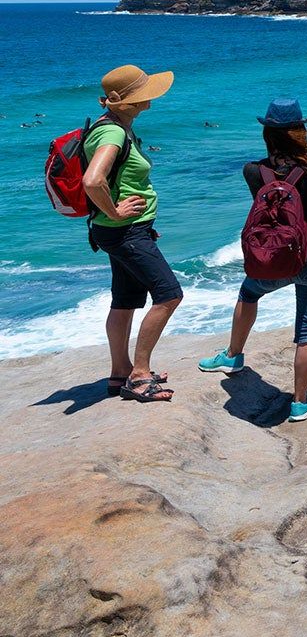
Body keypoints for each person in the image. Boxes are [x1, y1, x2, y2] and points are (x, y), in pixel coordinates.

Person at [199, 99, 307, 422]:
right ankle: (299, 402)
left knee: (248, 294)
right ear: (300, 132)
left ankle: (233, 355)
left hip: (271, 258)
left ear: (267, 133)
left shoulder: (254, 171)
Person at [83, 65, 182, 402]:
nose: (150, 99)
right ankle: (139, 375)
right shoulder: (112, 134)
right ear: (122, 102)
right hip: (123, 231)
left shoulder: (110, 126)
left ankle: (119, 373)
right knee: (169, 295)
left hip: (121, 231)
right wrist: (115, 212)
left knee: (125, 301)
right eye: (143, 95)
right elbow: (93, 180)